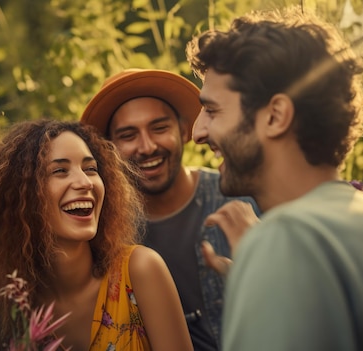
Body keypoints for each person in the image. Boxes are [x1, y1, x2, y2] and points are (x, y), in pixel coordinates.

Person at [186, 6, 363, 351]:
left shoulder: (289, 239)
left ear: (276, 116)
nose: (197, 132)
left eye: (212, 110)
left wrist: (267, 263)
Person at [0, 120, 192, 351]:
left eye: (91, 169)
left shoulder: (141, 270)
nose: (85, 183)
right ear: (18, 195)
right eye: (60, 171)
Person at [81, 68, 259, 350]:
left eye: (159, 128)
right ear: (109, 149)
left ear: (184, 130)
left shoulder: (243, 201)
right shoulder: (102, 236)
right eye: (128, 135)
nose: (148, 146)